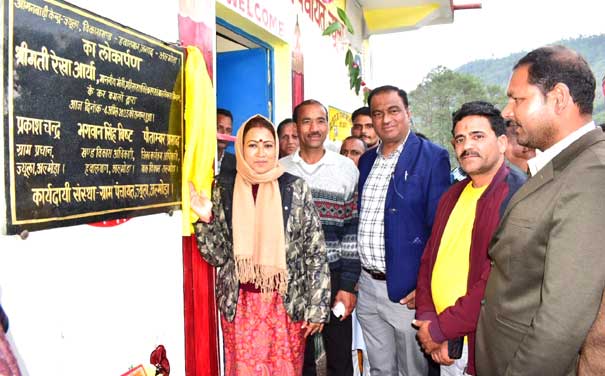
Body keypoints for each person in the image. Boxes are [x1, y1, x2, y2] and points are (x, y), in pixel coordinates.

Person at [475, 45, 605, 376]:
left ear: (558, 97)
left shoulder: (591, 175)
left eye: (517, 99)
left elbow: (562, 321)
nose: (507, 111)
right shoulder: (561, 164)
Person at [190, 115, 331, 375]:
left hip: (285, 304)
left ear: (276, 148)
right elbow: (217, 256)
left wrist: (318, 307)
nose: (261, 153)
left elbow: (315, 251)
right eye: (253, 145)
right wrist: (205, 218)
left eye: (267, 145)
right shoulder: (224, 187)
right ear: (241, 148)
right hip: (240, 305)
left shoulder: (294, 187)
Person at [413, 101, 526, 376]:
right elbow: (430, 260)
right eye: (460, 139)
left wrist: (441, 330)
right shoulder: (454, 194)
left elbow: (495, 281)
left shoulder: (516, 195)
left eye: (478, 136)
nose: (467, 146)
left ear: (501, 142)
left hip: (481, 343)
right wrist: (429, 320)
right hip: (444, 339)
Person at [356, 85, 451, 375]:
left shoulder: (432, 157)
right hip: (368, 288)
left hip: (406, 292)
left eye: (394, 110)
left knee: (414, 370)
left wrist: (424, 286)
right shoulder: (367, 160)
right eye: (378, 113)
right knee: (380, 369)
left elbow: (440, 231)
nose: (386, 119)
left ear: (408, 113)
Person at [281, 99, 360, 376]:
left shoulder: (346, 169)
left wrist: (348, 285)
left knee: (339, 358)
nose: (314, 128)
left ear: (327, 125)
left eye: (320, 121)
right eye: (306, 121)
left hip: (334, 275)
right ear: (296, 126)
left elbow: (352, 229)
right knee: (298, 357)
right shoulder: (279, 170)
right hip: (292, 279)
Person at [216, 108, 236, 176]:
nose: (224, 133)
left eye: (228, 130)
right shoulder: (198, 160)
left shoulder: (235, 164)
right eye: (219, 128)